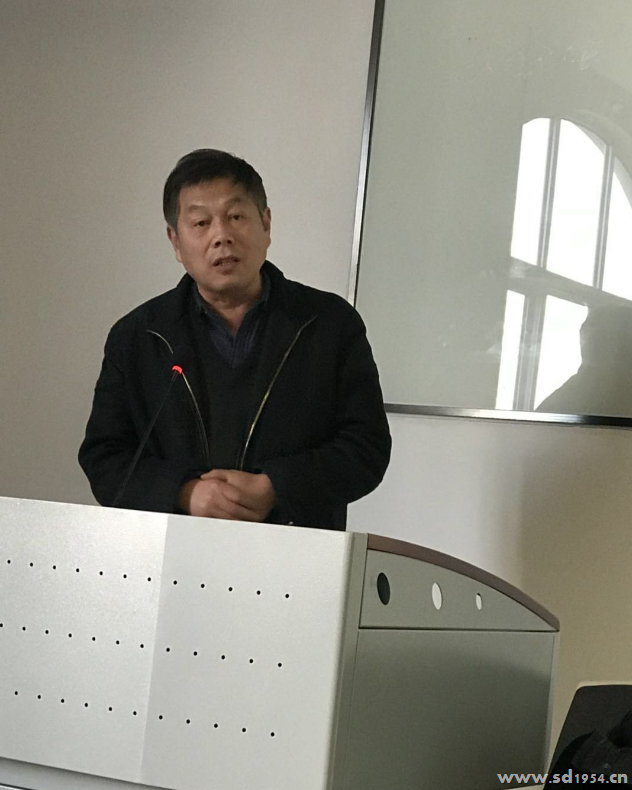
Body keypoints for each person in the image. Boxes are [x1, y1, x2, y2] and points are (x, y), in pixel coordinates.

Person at [78, 149, 391, 530]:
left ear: (266, 224)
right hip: (174, 551)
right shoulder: (138, 337)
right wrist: (184, 493)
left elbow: (367, 447)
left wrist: (277, 486)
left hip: (298, 551)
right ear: (175, 241)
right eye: (201, 223)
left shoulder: (328, 323)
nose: (221, 236)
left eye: (236, 217)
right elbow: (104, 459)